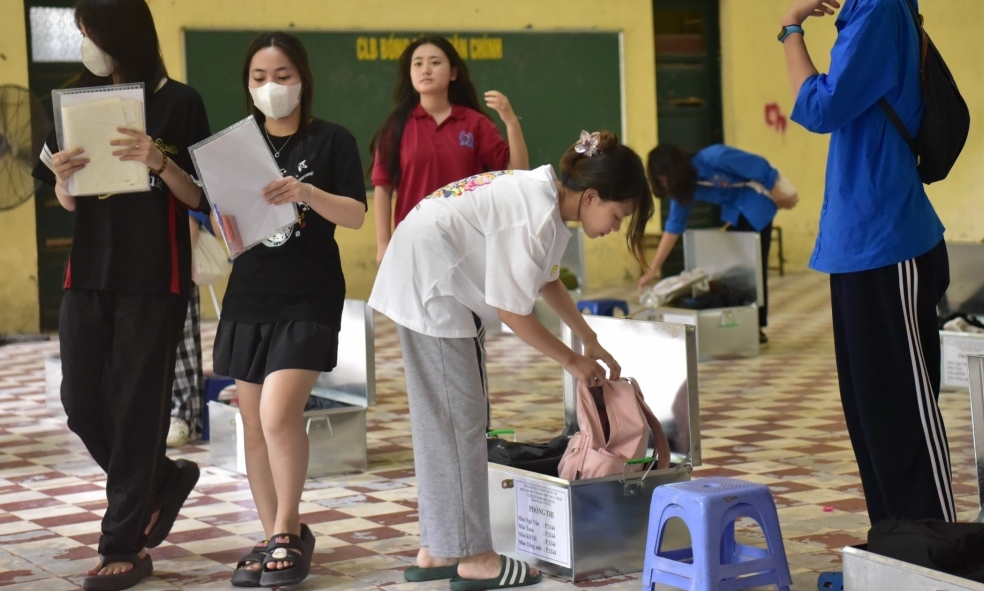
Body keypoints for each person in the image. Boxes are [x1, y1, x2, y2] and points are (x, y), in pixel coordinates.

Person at [369, 130, 654, 590]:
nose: (615, 227)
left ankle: (440, 547)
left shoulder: (548, 204)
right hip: (433, 288)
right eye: (617, 215)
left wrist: (588, 339)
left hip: (428, 280)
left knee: (448, 423)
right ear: (593, 196)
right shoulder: (535, 216)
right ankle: (476, 557)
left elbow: (547, 281)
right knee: (458, 423)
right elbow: (512, 312)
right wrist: (571, 361)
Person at [779, 0, 955, 524]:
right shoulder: (863, 15)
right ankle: (895, 546)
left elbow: (820, 107)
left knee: (905, 413)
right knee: (872, 412)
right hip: (856, 245)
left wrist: (791, 26)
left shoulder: (881, 8)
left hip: (892, 242)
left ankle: (933, 550)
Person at [32, 0, 210, 589]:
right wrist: (62, 178)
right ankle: (161, 479)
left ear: (121, 37)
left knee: (137, 410)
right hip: (87, 274)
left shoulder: (179, 103)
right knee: (81, 403)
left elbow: (201, 197)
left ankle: (124, 544)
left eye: (91, 34)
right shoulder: (78, 100)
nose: (85, 45)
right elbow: (67, 200)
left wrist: (159, 161)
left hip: (152, 276)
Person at [211, 32, 367, 587]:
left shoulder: (332, 141)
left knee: (279, 415)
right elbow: (221, 218)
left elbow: (354, 215)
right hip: (249, 297)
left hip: (310, 296)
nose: (270, 87)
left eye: (281, 75)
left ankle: (287, 531)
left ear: (302, 79)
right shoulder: (234, 146)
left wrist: (304, 193)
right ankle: (271, 532)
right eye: (258, 77)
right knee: (253, 423)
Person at [370, 35, 529, 265]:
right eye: (417, 64)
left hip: (469, 243)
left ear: (453, 73)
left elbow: (519, 172)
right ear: (410, 74)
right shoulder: (395, 128)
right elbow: (382, 188)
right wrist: (384, 244)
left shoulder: (475, 123)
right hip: (414, 243)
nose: (426, 70)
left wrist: (511, 122)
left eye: (435, 62)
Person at [640, 143, 798, 342]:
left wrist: (779, 195)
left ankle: (755, 327)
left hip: (757, 208)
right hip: (735, 213)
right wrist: (653, 268)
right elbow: (674, 226)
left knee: (752, 269)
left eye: (666, 178)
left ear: (674, 167)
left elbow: (759, 167)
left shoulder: (715, 157)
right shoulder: (684, 188)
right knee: (735, 270)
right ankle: (743, 323)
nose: (667, 184)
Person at [165, 212, 209, 448]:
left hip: (175, 253)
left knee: (182, 339)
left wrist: (185, 251)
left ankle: (183, 418)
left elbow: (193, 208)